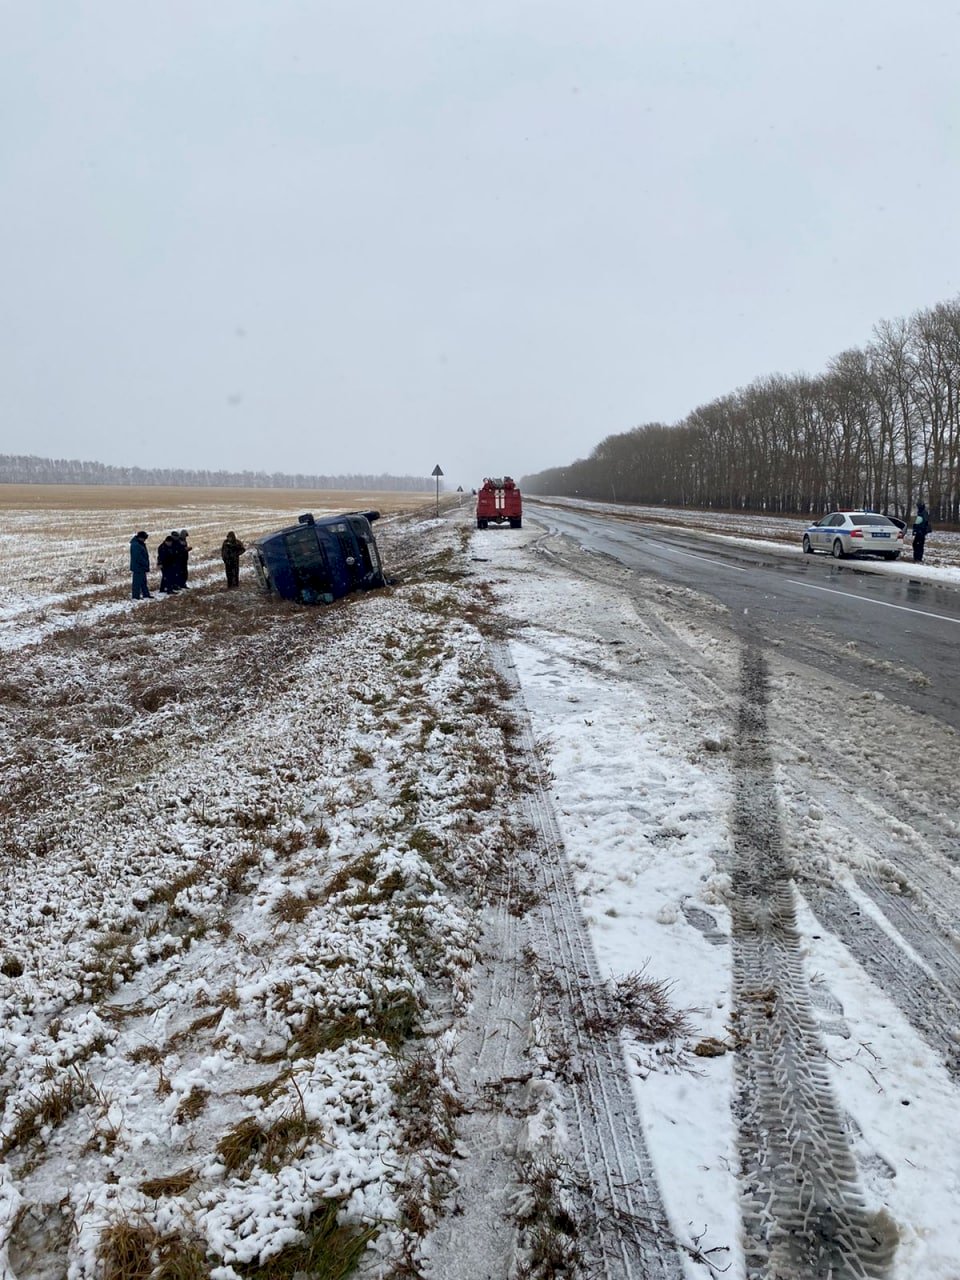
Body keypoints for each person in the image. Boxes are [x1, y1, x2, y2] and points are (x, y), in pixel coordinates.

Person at [129, 531, 152, 599]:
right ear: (140, 537)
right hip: (138, 567)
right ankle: (135, 596)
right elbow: (138, 557)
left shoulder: (139, 543)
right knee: (137, 583)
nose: (145, 540)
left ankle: (146, 594)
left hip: (141, 566)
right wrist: (144, 563)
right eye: (144, 538)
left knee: (143, 581)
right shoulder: (136, 545)